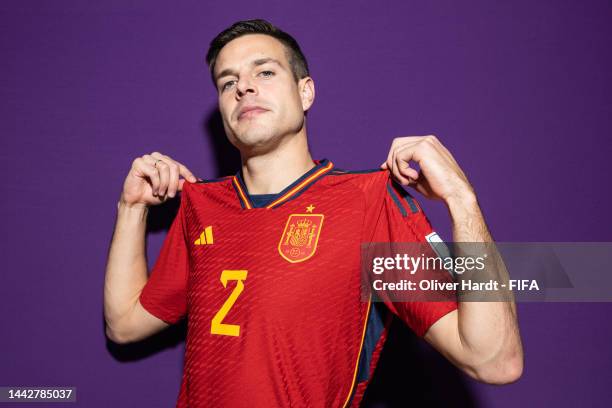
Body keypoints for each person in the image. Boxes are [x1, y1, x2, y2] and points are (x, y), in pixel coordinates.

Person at [104, 19, 523, 407]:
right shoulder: (202, 206)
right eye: (227, 81)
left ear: (306, 91)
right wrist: (132, 208)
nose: (243, 88)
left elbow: (493, 360)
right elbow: (124, 324)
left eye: (264, 72)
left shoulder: (368, 203)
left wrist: (461, 199)